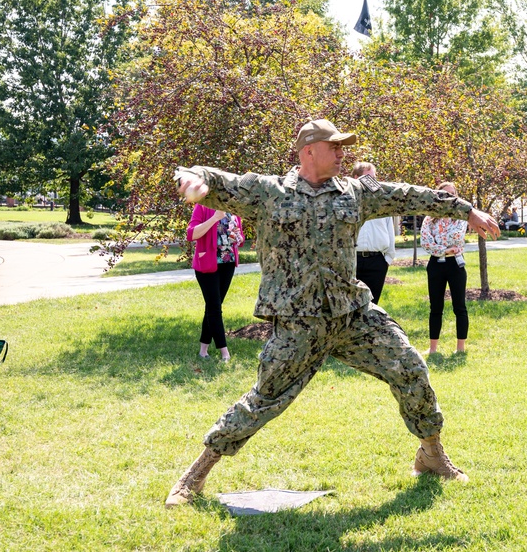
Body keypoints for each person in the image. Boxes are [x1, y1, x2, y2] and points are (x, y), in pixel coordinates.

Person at [166, 119, 500, 507]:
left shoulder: (356, 193)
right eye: (335, 146)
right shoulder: (267, 192)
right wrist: (189, 179)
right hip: (298, 324)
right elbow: (209, 178)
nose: (343, 153)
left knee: (409, 366)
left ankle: (431, 453)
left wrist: (466, 210)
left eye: (344, 147)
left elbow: (409, 195)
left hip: (350, 316)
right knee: (264, 400)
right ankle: (194, 476)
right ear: (308, 151)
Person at [187, 203, 244, 362]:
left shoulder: (234, 208)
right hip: (207, 264)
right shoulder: (203, 207)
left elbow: (238, 235)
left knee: (213, 306)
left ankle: (203, 350)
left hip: (228, 263)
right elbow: (191, 234)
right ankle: (224, 352)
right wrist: (214, 218)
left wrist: (238, 238)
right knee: (214, 307)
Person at [420, 183, 469, 355]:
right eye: (444, 194)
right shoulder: (429, 217)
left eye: (452, 194)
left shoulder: (461, 216)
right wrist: (445, 249)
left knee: (459, 307)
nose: (448, 197)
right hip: (435, 265)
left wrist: (438, 243)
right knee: (435, 307)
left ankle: (460, 348)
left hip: (455, 264)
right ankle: (433, 349)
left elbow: (456, 236)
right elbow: (425, 241)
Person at [351, 162, 396, 304]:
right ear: (356, 177)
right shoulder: (346, 201)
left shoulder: (382, 203)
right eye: (367, 178)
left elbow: (390, 231)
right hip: (352, 261)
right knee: (353, 306)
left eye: (374, 178)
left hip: (377, 262)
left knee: (372, 307)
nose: (372, 182)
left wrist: (387, 260)